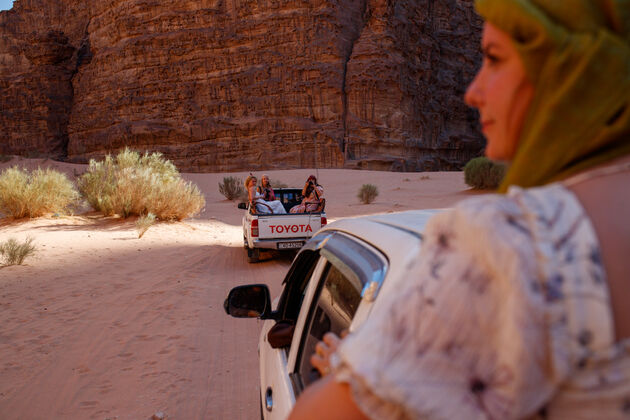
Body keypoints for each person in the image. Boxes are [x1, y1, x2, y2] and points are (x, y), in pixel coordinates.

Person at [289, 1, 630, 419]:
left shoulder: (512, 244)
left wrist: (355, 366)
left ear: (572, 63)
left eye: (494, 59)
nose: (473, 91)